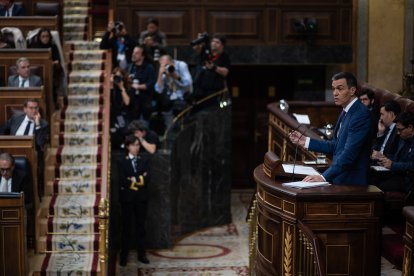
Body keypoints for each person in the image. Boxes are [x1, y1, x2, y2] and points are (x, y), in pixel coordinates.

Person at [289, 72, 373, 185]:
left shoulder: (360, 115)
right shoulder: (345, 111)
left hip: (351, 182)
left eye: (340, 89)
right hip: (339, 177)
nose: (335, 93)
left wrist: (323, 177)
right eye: (333, 89)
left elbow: (349, 155)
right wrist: (306, 141)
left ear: (352, 90)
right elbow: (335, 145)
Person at [118, 135, 150, 266]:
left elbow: (148, 179)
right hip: (127, 199)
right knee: (126, 228)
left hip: (141, 199)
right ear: (127, 146)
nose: (136, 148)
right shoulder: (121, 161)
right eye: (133, 145)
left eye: (137, 145)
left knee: (140, 228)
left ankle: (141, 254)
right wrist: (138, 179)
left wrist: (132, 180)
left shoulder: (144, 159)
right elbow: (122, 180)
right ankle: (124, 256)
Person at [374, 111, 414, 193]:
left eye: (400, 130)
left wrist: (393, 165)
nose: (398, 133)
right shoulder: (404, 138)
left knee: (380, 187)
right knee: (372, 177)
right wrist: (384, 159)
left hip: (409, 180)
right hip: (398, 173)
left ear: (410, 127)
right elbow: (397, 157)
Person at [155, 54, 192, 129]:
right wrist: (160, 73)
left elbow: (188, 83)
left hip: (183, 99)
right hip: (169, 102)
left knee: (183, 127)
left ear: (172, 62)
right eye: (162, 65)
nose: (166, 67)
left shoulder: (181, 65)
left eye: (167, 65)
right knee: (170, 128)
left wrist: (175, 75)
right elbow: (158, 90)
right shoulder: (163, 70)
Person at [194, 33, 231, 109]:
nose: (214, 44)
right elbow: (196, 48)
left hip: (214, 92)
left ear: (222, 45)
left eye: (217, 42)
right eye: (213, 41)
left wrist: (214, 68)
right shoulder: (205, 51)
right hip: (200, 89)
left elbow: (225, 72)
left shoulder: (224, 56)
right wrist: (199, 40)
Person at [29, 28, 63, 103]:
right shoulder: (34, 46)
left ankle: (52, 102)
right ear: (39, 37)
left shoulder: (53, 46)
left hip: (50, 70)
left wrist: (49, 63)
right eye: (43, 36)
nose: (45, 38)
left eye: (47, 36)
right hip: (35, 70)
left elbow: (57, 61)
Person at [127, 45, 156, 122]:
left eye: (137, 53)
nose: (133, 54)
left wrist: (136, 86)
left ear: (142, 56)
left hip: (145, 102)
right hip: (132, 102)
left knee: (143, 125)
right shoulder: (130, 67)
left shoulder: (149, 68)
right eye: (133, 52)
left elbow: (150, 85)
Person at [110, 67, 135, 149]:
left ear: (123, 77)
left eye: (119, 76)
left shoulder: (128, 88)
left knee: (123, 129)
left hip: (123, 115)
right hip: (113, 115)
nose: (117, 79)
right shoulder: (111, 88)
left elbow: (127, 102)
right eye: (115, 76)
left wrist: (122, 88)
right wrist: (110, 85)